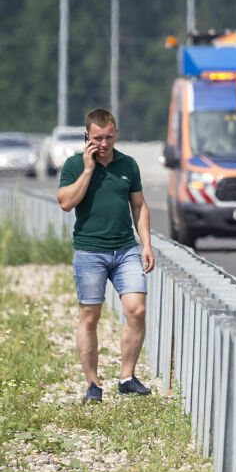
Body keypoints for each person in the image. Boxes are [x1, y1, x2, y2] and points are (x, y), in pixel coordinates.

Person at [57, 108, 155, 404]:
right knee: (90, 316)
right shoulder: (74, 164)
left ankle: (127, 376)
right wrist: (88, 169)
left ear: (116, 135)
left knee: (136, 310)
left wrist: (146, 244)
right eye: (97, 138)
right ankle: (93, 384)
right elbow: (65, 203)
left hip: (125, 249)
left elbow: (139, 206)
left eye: (109, 138)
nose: (103, 143)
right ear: (87, 135)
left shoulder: (128, 164)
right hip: (90, 251)